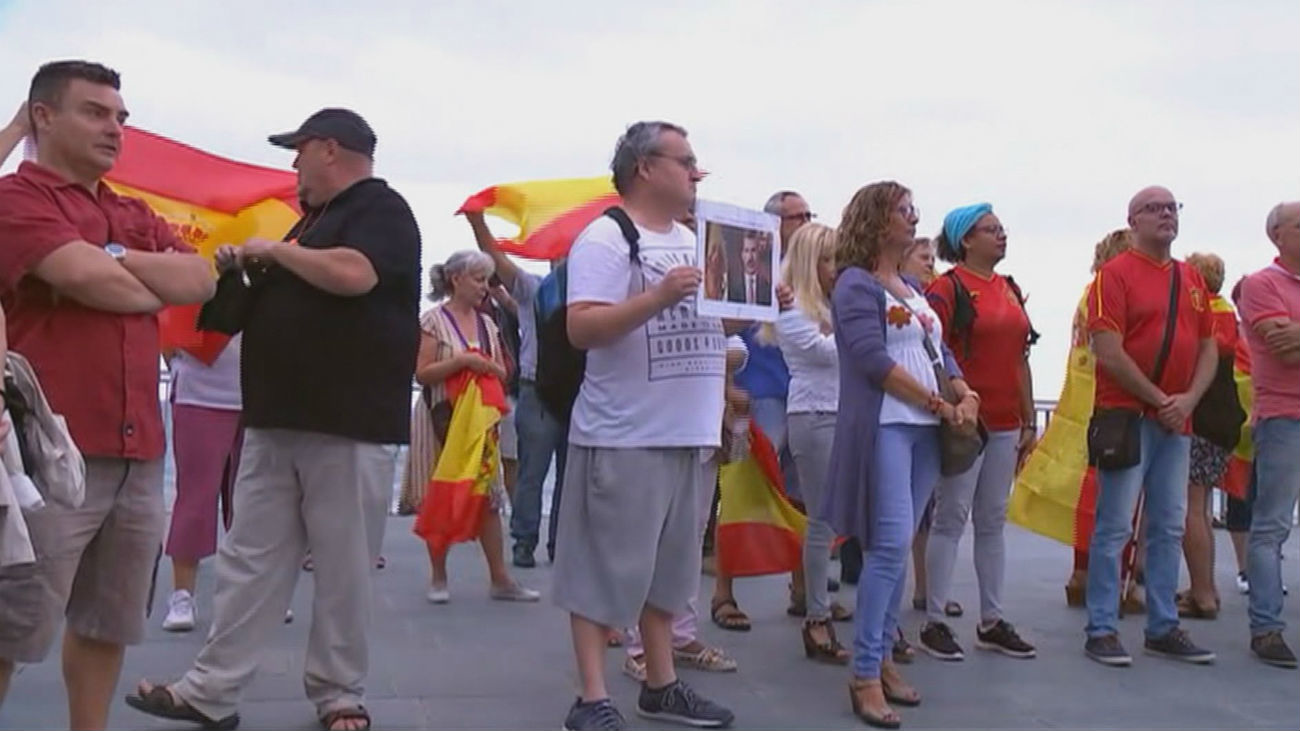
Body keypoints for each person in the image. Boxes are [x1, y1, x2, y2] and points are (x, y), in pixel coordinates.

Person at [127, 107, 419, 731]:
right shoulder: (304, 225)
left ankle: (339, 693)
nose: (293, 165)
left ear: (330, 150)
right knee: (248, 562)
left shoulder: (380, 210)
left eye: (299, 151)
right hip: (273, 419)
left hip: (347, 422)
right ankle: (211, 690)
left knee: (343, 568)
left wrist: (275, 257)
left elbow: (356, 275)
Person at [0, 60, 215, 730]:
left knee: (107, 621)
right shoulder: (16, 200)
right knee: (10, 622)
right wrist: (123, 272)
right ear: (42, 116)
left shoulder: (128, 209)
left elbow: (200, 279)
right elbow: (94, 281)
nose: (116, 128)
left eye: (121, 116)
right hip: (48, 453)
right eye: (95, 112)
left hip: (139, 449)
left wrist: (110, 258)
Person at [552, 121, 733, 731]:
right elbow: (582, 328)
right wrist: (657, 297)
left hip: (689, 432)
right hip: (625, 434)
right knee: (604, 569)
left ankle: (661, 684)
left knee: (670, 574)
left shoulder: (693, 237)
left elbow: (706, 326)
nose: (695, 172)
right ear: (645, 167)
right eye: (685, 160)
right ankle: (591, 697)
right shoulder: (606, 238)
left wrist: (753, 310)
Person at [825, 181, 977, 728]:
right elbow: (869, 359)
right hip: (888, 426)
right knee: (889, 546)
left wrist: (964, 393)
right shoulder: (854, 285)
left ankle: (882, 657)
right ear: (877, 219)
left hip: (924, 431)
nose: (914, 218)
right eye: (903, 210)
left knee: (898, 541)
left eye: (914, 209)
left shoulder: (912, 286)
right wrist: (937, 402)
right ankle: (865, 671)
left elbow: (941, 349)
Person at [1083, 185, 1219, 667]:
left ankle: (1163, 625)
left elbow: (1208, 347)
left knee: (1167, 523)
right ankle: (1101, 626)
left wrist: (1187, 400)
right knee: (1114, 524)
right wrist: (1161, 398)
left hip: (1175, 422)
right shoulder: (1113, 277)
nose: (1165, 215)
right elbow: (1108, 349)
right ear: (1133, 220)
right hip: (1128, 416)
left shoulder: (1191, 280)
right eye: (1154, 209)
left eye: (1172, 208)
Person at [919, 203, 1038, 662]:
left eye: (1002, 228)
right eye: (991, 230)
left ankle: (992, 618)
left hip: (1007, 420)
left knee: (992, 519)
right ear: (966, 239)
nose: (1001, 235)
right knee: (952, 515)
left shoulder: (1009, 289)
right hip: (967, 420)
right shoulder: (947, 289)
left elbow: (1020, 357)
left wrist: (1028, 418)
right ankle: (934, 618)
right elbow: (934, 349)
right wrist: (950, 405)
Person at [712, 190, 829, 634]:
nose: (802, 222)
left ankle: (804, 588)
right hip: (758, 390)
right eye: (794, 216)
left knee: (801, 491)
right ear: (774, 224)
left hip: (802, 393)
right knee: (742, 482)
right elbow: (728, 327)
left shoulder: (815, 273)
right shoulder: (755, 271)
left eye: (806, 214)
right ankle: (724, 592)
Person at [413, 251, 539, 605]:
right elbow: (421, 373)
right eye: (478, 279)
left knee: (488, 498)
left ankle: (500, 578)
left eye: (486, 279)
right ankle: (438, 577)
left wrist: (485, 367)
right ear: (456, 279)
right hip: (443, 418)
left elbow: (503, 369)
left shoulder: (488, 324)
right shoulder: (433, 321)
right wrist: (462, 362)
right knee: (441, 494)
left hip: (481, 421)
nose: (485, 287)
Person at [464, 211, 568, 568]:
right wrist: (477, 222)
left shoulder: (544, 291)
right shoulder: (534, 289)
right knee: (534, 474)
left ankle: (549, 543)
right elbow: (496, 259)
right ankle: (533, 542)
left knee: (552, 476)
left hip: (563, 393)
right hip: (540, 390)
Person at [773, 223, 850, 664]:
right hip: (815, 414)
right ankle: (816, 615)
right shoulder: (792, 309)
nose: (837, 268)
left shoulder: (831, 307)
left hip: (846, 415)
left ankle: (822, 605)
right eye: (828, 259)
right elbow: (831, 352)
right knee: (821, 519)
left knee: (840, 519)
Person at [1236, 200, 1300, 668]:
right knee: (1272, 525)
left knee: (1271, 525)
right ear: (1277, 233)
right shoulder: (1260, 285)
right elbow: (1281, 347)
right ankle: (1266, 628)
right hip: (1284, 417)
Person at [1063, 229, 1134, 608]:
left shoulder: (1087, 295)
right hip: (1115, 400)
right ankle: (1117, 578)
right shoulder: (1115, 293)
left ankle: (1081, 571)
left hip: (1086, 400)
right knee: (1121, 495)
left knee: (1091, 492)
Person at [160, 335, 244, 632]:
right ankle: (182, 595)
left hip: (264, 391)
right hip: (199, 391)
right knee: (195, 498)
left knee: (255, 502)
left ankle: (253, 592)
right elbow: (167, 320)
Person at [1176, 252, 1238, 619]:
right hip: (1225, 419)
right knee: (1202, 506)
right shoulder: (1228, 313)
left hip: (1202, 418)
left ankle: (1202, 593)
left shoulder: (1204, 316)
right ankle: (1207, 585)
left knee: (1191, 509)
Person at [728, 230, 773, 305]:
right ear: (742, 254)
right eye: (746, 251)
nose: (750, 257)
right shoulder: (732, 287)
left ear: (759, 253)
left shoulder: (767, 288)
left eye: (753, 250)